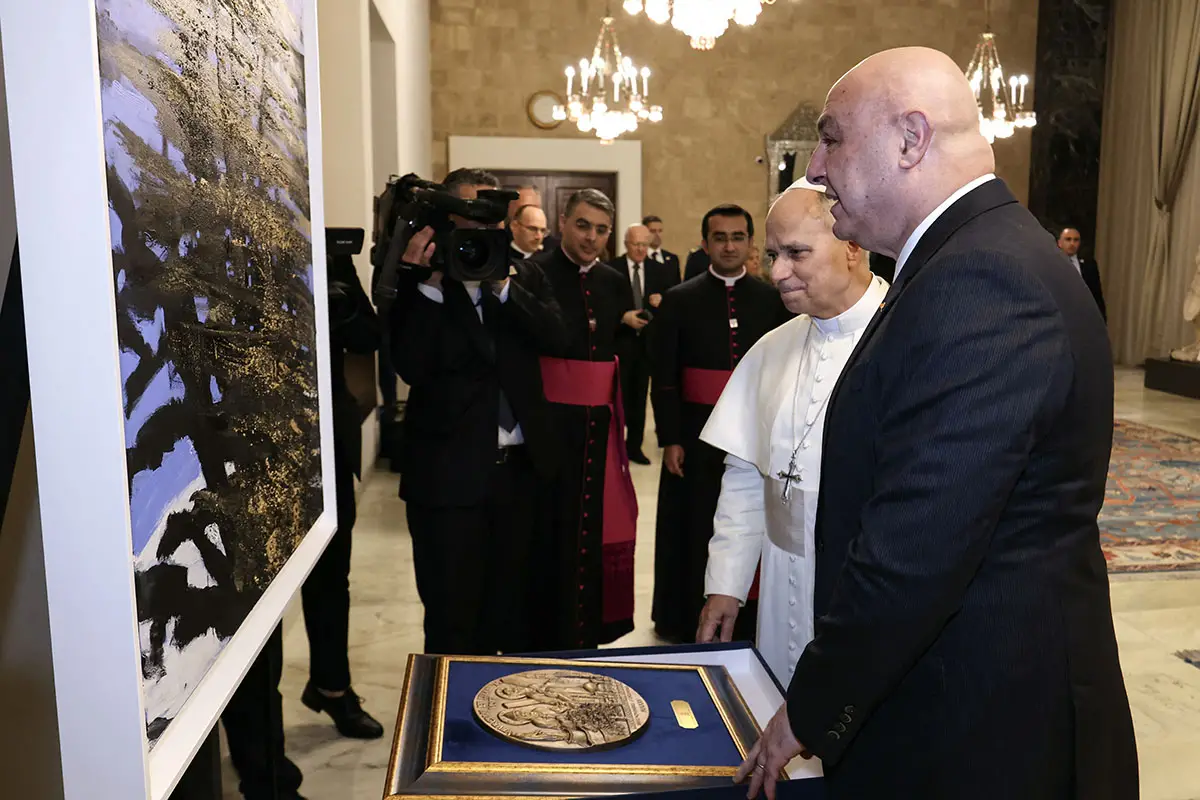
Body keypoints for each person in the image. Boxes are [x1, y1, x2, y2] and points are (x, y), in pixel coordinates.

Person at [735, 47, 1137, 800]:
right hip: (959, 705)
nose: (816, 167)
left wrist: (812, 706)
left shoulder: (986, 279)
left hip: (986, 727)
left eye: (832, 137)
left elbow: (917, 546)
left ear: (910, 140)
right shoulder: (963, 260)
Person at [695, 185, 885, 683]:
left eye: (796, 253)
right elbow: (743, 476)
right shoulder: (772, 347)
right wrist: (727, 585)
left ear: (853, 244)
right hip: (782, 584)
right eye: (775, 254)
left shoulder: (908, 335)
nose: (776, 272)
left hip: (868, 594)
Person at [391, 168, 567, 655]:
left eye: (491, 218)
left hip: (521, 476)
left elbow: (557, 335)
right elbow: (410, 365)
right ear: (445, 218)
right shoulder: (414, 279)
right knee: (452, 618)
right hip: (447, 482)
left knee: (512, 614)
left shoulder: (522, 272)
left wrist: (502, 288)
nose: (482, 230)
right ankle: (450, 721)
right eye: (470, 216)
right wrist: (426, 282)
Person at [650, 203, 792, 645]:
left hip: (754, 432)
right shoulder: (679, 299)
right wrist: (671, 437)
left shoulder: (773, 299)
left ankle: (743, 616)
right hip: (695, 434)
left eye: (737, 237)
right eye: (719, 237)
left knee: (749, 522)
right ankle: (683, 615)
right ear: (705, 243)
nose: (729, 246)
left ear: (750, 243)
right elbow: (665, 377)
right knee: (694, 523)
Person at [530, 188, 639, 649]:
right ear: (562, 223)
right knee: (550, 530)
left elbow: (618, 352)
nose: (591, 237)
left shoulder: (615, 281)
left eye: (600, 230)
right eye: (582, 225)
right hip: (551, 425)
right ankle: (547, 633)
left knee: (594, 528)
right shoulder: (535, 273)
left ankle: (587, 634)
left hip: (600, 427)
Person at [298, 240, 384, 739]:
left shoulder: (328, 254)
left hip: (326, 442)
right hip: (250, 443)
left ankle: (332, 687)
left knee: (332, 578)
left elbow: (368, 335)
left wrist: (337, 296)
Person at [609, 223, 677, 464]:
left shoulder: (660, 270)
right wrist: (623, 316)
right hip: (621, 343)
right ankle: (614, 447)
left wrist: (663, 301)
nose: (640, 249)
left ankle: (634, 448)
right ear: (626, 244)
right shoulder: (611, 269)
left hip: (648, 345)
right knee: (618, 399)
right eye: (636, 244)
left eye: (644, 245)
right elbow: (604, 305)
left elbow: (674, 303)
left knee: (639, 400)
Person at [1057, 227, 1107, 321]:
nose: (1072, 243)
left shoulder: (1089, 266)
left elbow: (1096, 296)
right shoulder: (1051, 264)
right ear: (1059, 243)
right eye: (1068, 239)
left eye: (1076, 240)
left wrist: (1102, 320)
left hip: (1083, 319)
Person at [643, 214, 681, 279]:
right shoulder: (640, 258)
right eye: (653, 231)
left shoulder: (673, 259)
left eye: (660, 231)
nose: (657, 235)